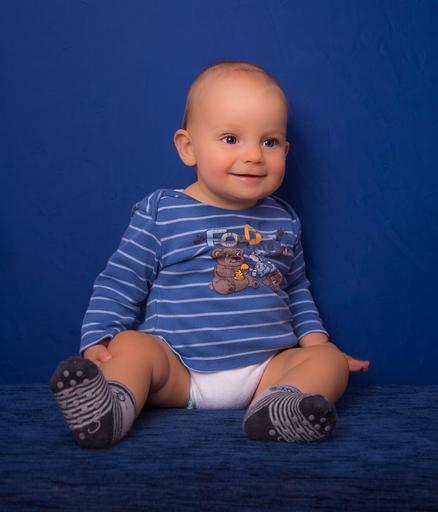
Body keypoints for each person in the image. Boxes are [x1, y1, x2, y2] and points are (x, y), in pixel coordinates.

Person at [50, 60, 370, 449]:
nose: (254, 155)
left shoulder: (283, 219)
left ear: (286, 150)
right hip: (178, 370)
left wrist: (317, 345)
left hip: (266, 371)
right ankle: (112, 407)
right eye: (231, 139)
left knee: (330, 362)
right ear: (189, 148)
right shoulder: (163, 212)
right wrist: (97, 340)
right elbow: (120, 282)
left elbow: (297, 288)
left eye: (269, 142)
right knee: (129, 347)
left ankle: (279, 408)